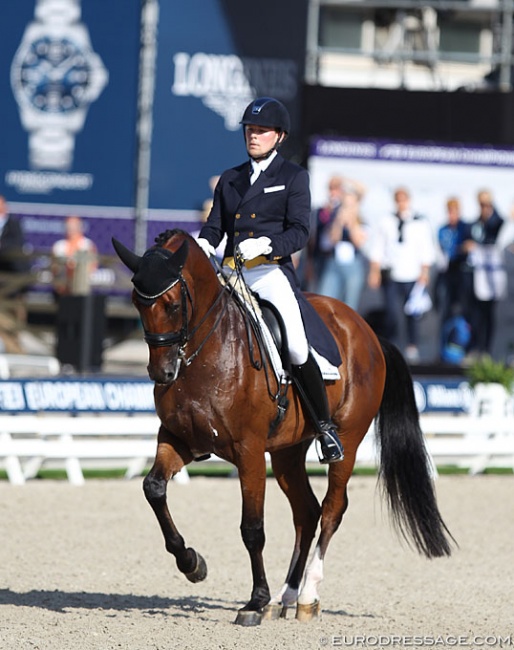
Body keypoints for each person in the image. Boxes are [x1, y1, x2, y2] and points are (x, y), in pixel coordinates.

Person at [196, 96, 344, 463]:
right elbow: (215, 227)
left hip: (269, 272)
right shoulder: (230, 178)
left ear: (279, 136)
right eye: (250, 129)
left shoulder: (293, 177)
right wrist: (201, 245)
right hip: (232, 272)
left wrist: (268, 245)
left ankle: (325, 428)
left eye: (261, 131)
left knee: (294, 346)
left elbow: (299, 232)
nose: (253, 135)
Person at [367, 186, 435, 363]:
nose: (401, 203)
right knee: (391, 312)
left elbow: (426, 248)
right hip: (392, 273)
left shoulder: (420, 222)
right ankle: (391, 346)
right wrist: (374, 271)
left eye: (404, 199)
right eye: (398, 199)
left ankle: (412, 346)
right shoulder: (386, 221)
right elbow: (378, 247)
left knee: (412, 313)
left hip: (412, 274)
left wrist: (425, 271)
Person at [462, 189, 505, 357]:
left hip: (492, 279)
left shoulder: (496, 223)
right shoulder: (473, 225)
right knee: (474, 314)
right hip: (476, 278)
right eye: (482, 204)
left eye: (488, 204)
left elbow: (498, 227)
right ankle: (475, 347)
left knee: (488, 315)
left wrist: (492, 213)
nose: (485, 208)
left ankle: (486, 349)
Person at [317, 179, 368, 311]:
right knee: (325, 300)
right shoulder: (335, 215)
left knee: (349, 306)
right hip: (334, 262)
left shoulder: (361, 219)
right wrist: (339, 221)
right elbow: (333, 239)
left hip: (353, 265)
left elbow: (358, 242)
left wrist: (352, 221)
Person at [436, 196, 471, 323]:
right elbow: (442, 249)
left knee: (464, 306)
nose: (452, 215)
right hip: (447, 271)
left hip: (462, 271)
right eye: (450, 211)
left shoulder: (466, 227)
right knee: (446, 306)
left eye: (454, 211)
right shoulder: (442, 229)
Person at [51, 215, 98, 297]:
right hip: (62, 288)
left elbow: (92, 266)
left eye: (73, 226)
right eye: (68, 226)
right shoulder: (59, 246)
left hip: (82, 286)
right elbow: (54, 267)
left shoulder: (87, 244)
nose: (71, 229)